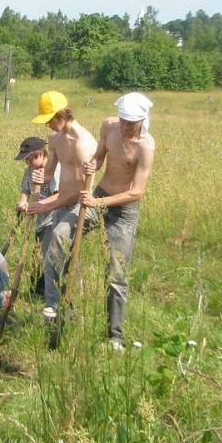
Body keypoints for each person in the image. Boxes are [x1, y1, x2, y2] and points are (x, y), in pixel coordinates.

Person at [79, 92, 156, 350]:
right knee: (63, 236)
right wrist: (92, 165)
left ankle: (115, 336)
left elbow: (137, 192)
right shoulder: (109, 126)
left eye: (130, 123)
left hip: (124, 210)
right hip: (99, 194)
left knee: (116, 273)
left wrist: (98, 204)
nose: (124, 126)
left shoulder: (146, 146)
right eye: (122, 119)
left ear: (142, 120)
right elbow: (99, 156)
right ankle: (64, 304)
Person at [24, 92, 97, 336]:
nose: (47, 124)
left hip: (79, 205)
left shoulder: (82, 144)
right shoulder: (54, 138)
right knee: (60, 259)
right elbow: (49, 173)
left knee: (56, 246)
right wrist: (41, 177)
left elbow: (82, 189)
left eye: (50, 119)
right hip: (60, 204)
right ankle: (63, 310)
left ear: (61, 114)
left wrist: (48, 206)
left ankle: (57, 309)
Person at [13, 136, 58, 293]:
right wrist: (22, 202)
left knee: (47, 255)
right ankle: (37, 291)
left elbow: (59, 195)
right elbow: (25, 190)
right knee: (37, 254)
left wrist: (39, 205)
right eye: (25, 160)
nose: (27, 163)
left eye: (29, 159)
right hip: (40, 219)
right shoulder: (29, 171)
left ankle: (48, 291)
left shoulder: (55, 169)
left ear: (40, 154)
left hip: (54, 218)